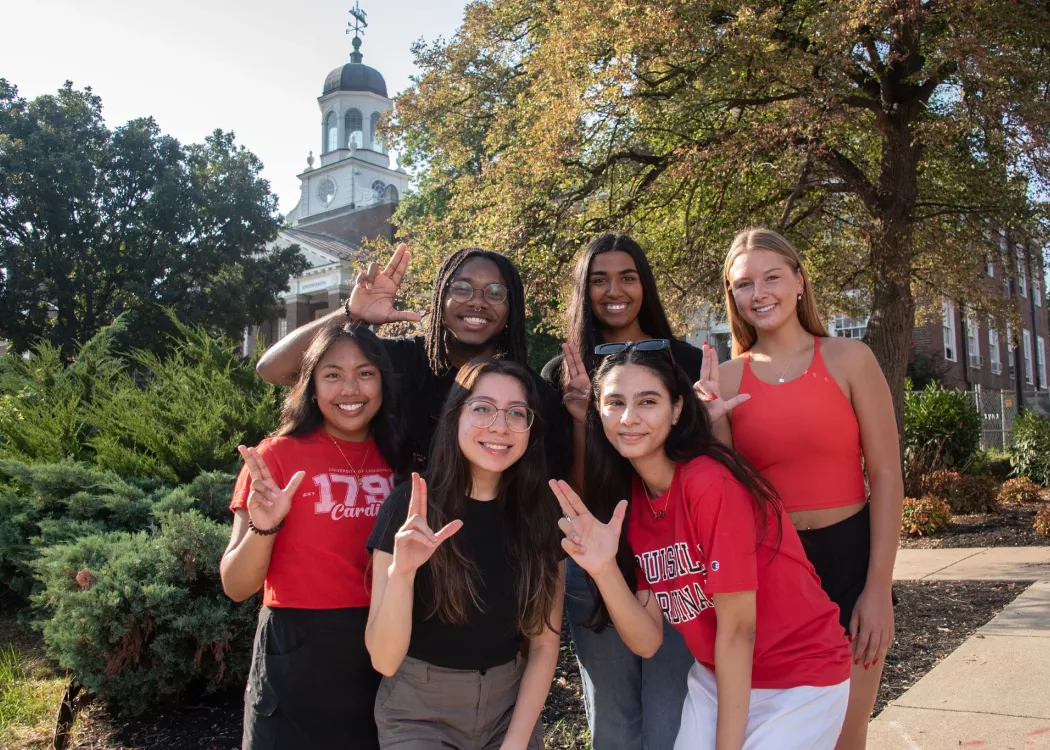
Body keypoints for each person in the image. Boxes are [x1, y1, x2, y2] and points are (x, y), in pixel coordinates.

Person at [553, 343, 852, 749]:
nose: (629, 417)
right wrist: (603, 569)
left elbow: (738, 630)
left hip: (797, 679)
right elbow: (648, 640)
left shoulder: (709, 482)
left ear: (677, 409)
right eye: (614, 403)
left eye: (648, 401)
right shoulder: (637, 501)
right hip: (717, 677)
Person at [704, 227, 904, 750]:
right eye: (743, 284)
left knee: (845, 733)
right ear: (733, 296)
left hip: (851, 558)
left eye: (772, 276)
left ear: (798, 281)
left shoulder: (850, 359)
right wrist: (712, 425)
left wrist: (878, 589)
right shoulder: (724, 380)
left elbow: (885, 475)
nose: (759, 292)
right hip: (774, 566)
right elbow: (727, 491)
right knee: (787, 734)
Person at [540, 233, 708, 750]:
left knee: (672, 714)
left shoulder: (685, 363)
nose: (614, 290)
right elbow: (570, 494)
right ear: (583, 290)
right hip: (597, 567)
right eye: (599, 279)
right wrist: (580, 420)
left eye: (627, 277)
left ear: (645, 285)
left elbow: (700, 469)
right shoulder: (560, 372)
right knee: (614, 720)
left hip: (673, 560)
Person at [221, 320, 410, 750]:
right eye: (332, 374)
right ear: (310, 384)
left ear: (383, 383)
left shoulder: (401, 459)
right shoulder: (275, 457)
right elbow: (235, 585)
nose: (350, 389)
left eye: (365, 373)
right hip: (297, 648)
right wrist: (264, 526)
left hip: (382, 641)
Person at [364, 358, 565, 749]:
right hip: (419, 713)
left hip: (509, 706)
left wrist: (515, 743)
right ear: (455, 415)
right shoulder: (410, 507)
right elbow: (384, 661)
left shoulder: (540, 514)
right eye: (483, 408)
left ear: (531, 429)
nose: (499, 427)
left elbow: (543, 646)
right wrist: (402, 574)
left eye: (516, 413)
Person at [256, 244, 570, 478]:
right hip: (395, 551)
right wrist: (351, 315)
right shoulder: (396, 362)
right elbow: (273, 368)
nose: (477, 301)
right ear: (440, 297)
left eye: (495, 293)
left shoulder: (533, 396)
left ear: (511, 308)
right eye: (461, 288)